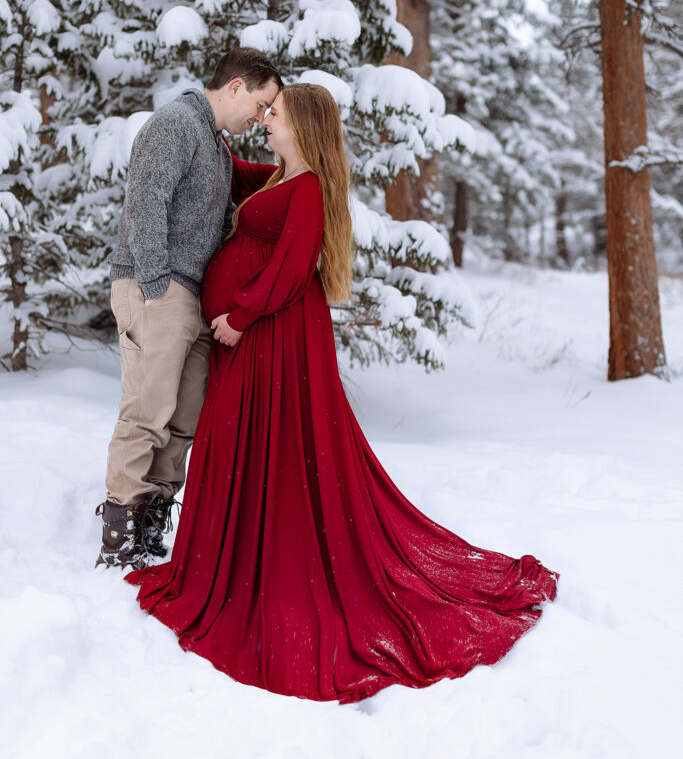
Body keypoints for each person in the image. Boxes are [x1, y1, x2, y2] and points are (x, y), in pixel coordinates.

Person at [125, 83, 558, 704]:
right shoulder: (279, 177)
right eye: (265, 111)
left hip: (272, 339)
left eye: (275, 115)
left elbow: (293, 266)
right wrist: (207, 129)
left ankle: (262, 569)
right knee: (237, 441)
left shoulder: (307, 188)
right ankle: (229, 560)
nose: (266, 120)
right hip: (261, 341)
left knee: (265, 448)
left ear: (302, 126)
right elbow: (230, 170)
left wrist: (240, 316)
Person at [96, 48, 282, 570]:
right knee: (148, 409)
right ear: (238, 86)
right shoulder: (176, 122)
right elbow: (145, 201)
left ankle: (153, 512)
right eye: (263, 104)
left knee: (183, 417)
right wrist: (157, 287)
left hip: (194, 297)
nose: (261, 118)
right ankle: (120, 526)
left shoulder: (216, 144)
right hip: (159, 287)